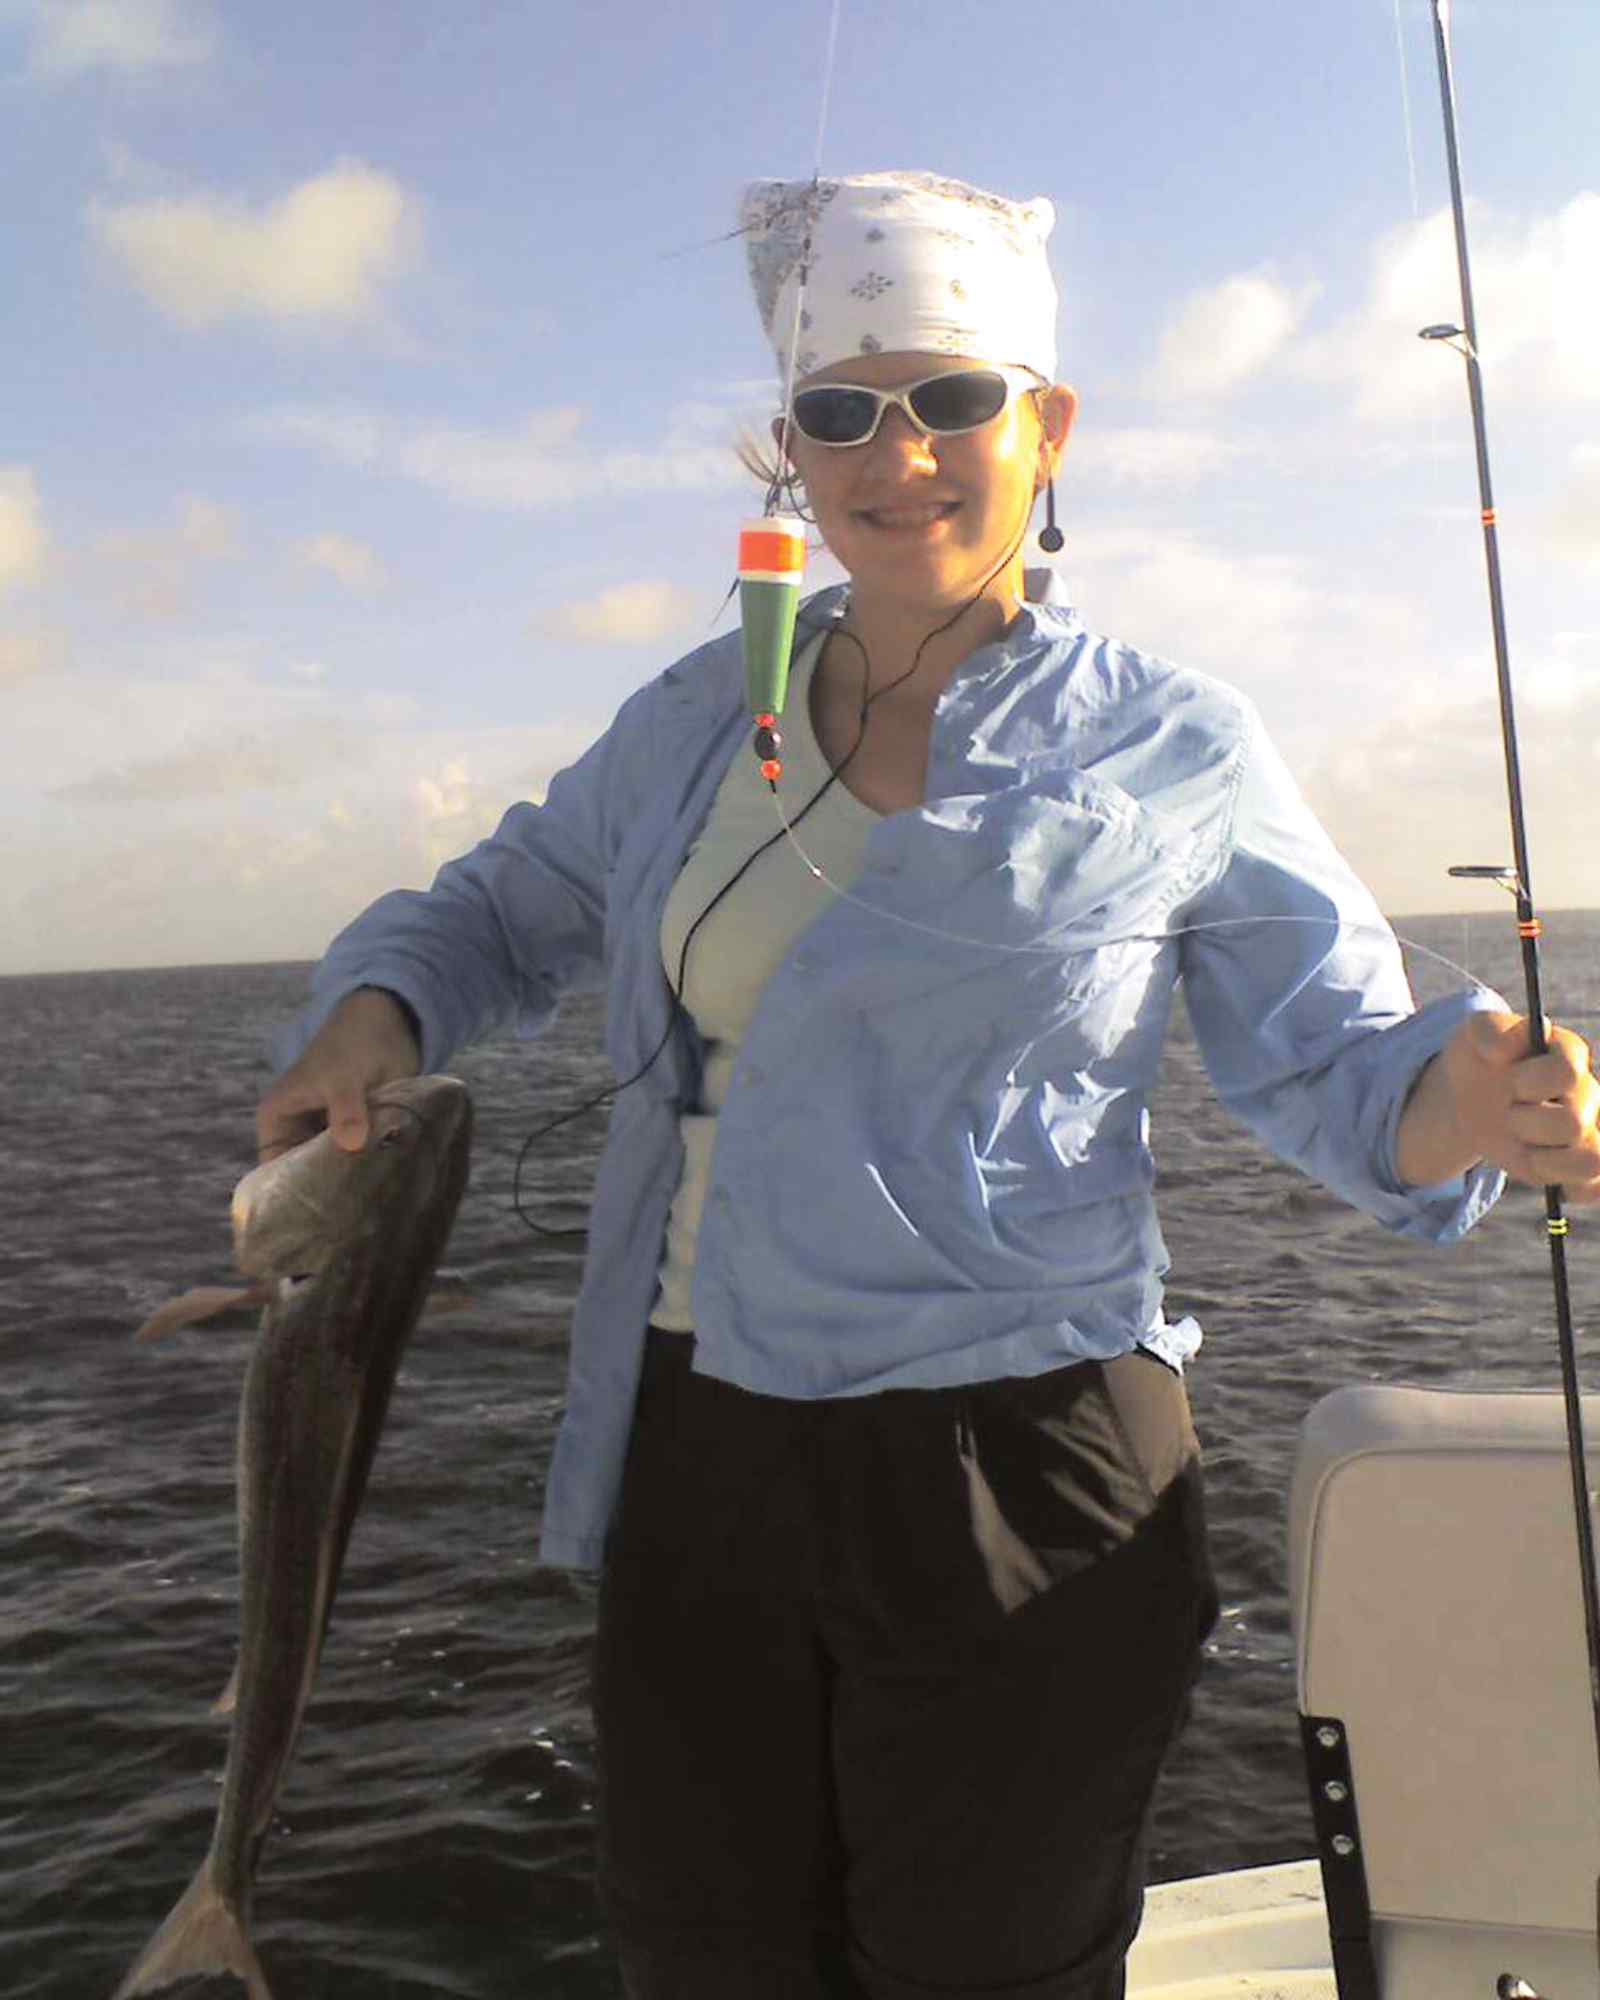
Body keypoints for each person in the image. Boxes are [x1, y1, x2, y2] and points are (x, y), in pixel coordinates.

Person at [259, 172, 1600, 2000]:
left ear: (1048, 427)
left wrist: (1484, 1103)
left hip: (1021, 1462)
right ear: (788, 456)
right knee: (704, 1962)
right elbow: (502, 905)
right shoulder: (693, 718)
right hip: (695, 1445)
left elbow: (1348, 1062)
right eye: (840, 411)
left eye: (952, 397)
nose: (897, 455)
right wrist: (378, 1013)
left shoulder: (1172, 740)